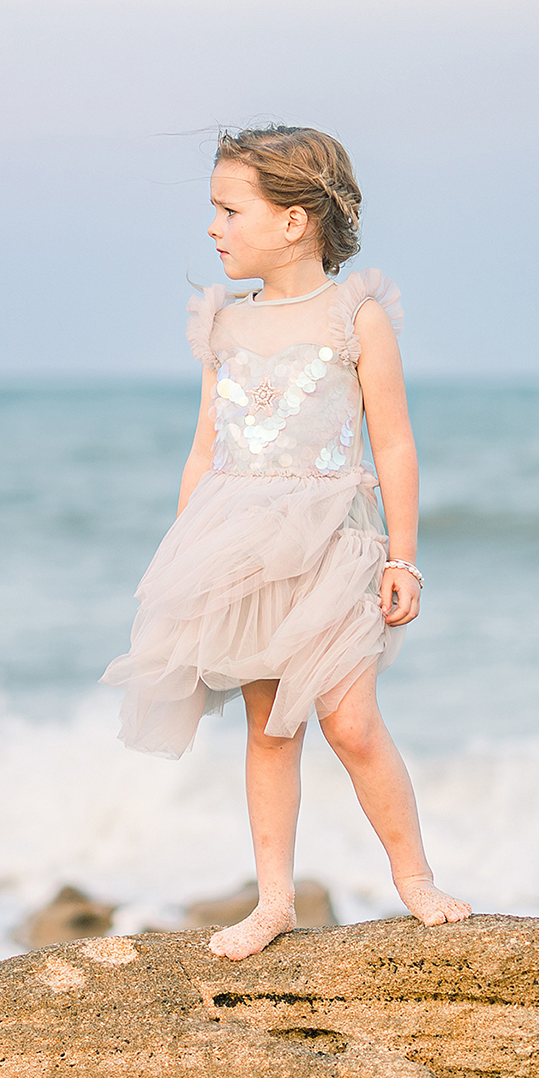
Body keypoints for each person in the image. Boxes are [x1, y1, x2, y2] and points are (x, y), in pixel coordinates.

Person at [104, 123, 471, 958]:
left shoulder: (356, 315)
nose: (213, 228)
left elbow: (396, 442)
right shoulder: (224, 327)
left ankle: (414, 877)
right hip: (236, 544)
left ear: (293, 220)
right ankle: (274, 900)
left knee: (350, 721)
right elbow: (205, 450)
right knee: (268, 728)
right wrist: (183, 558)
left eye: (230, 210)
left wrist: (403, 556)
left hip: (332, 544)